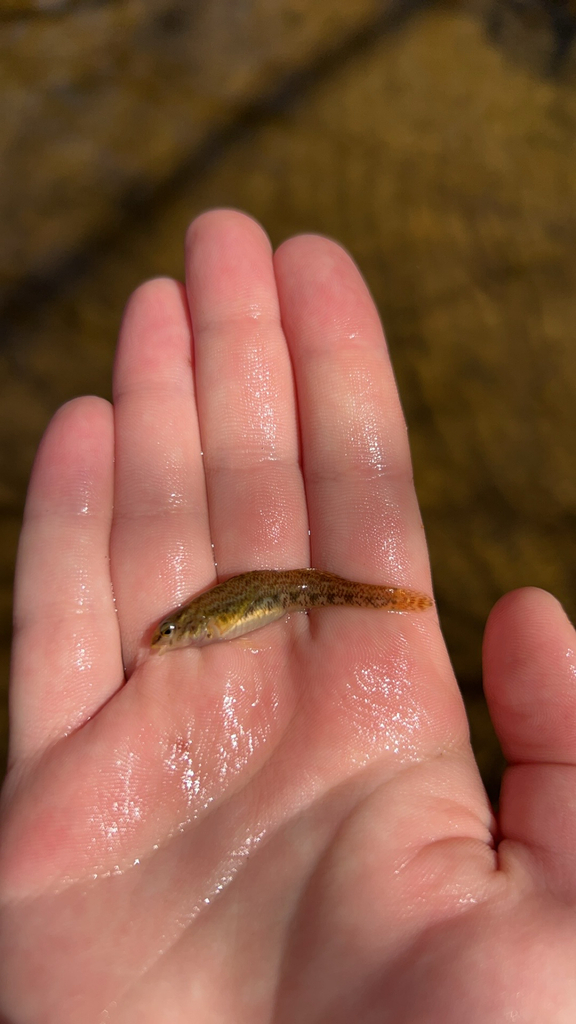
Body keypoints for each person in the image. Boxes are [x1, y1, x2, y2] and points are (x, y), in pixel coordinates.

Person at [1, 209, 575, 1023]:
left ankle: (383, 600)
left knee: (328, 587)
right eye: (169, 635)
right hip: (280, 586)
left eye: (170, 634)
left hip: (289, 585)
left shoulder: (201, 623)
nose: (164, 639)